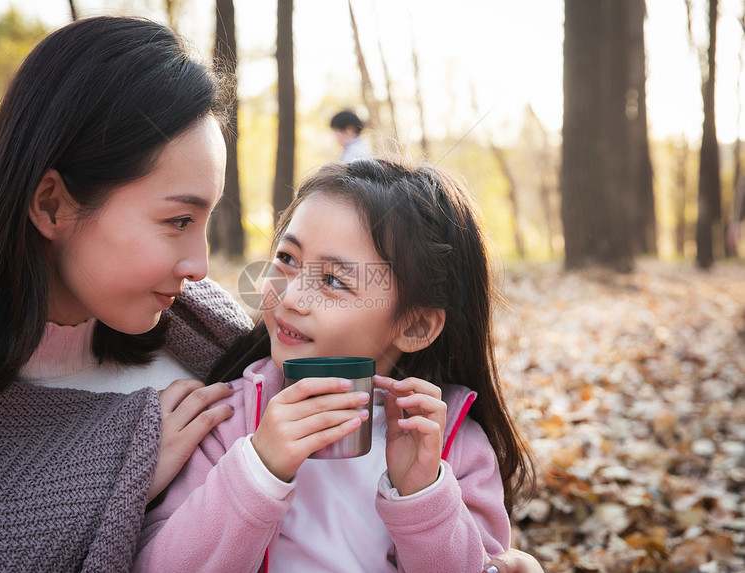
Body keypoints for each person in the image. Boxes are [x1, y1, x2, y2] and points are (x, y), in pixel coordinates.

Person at [0, 16, 252, 571]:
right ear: (52, 204)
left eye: (205, 221)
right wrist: (115, 473)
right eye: (178, 220)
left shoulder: (217, 354)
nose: (200, 267)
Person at [135, 158, 536, 572]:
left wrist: (422, 494)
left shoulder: (453, 447)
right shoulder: (228, 422)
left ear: (414, 325)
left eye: (332, 281)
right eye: (288, 259)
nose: (291, 297)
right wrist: (259, 467)